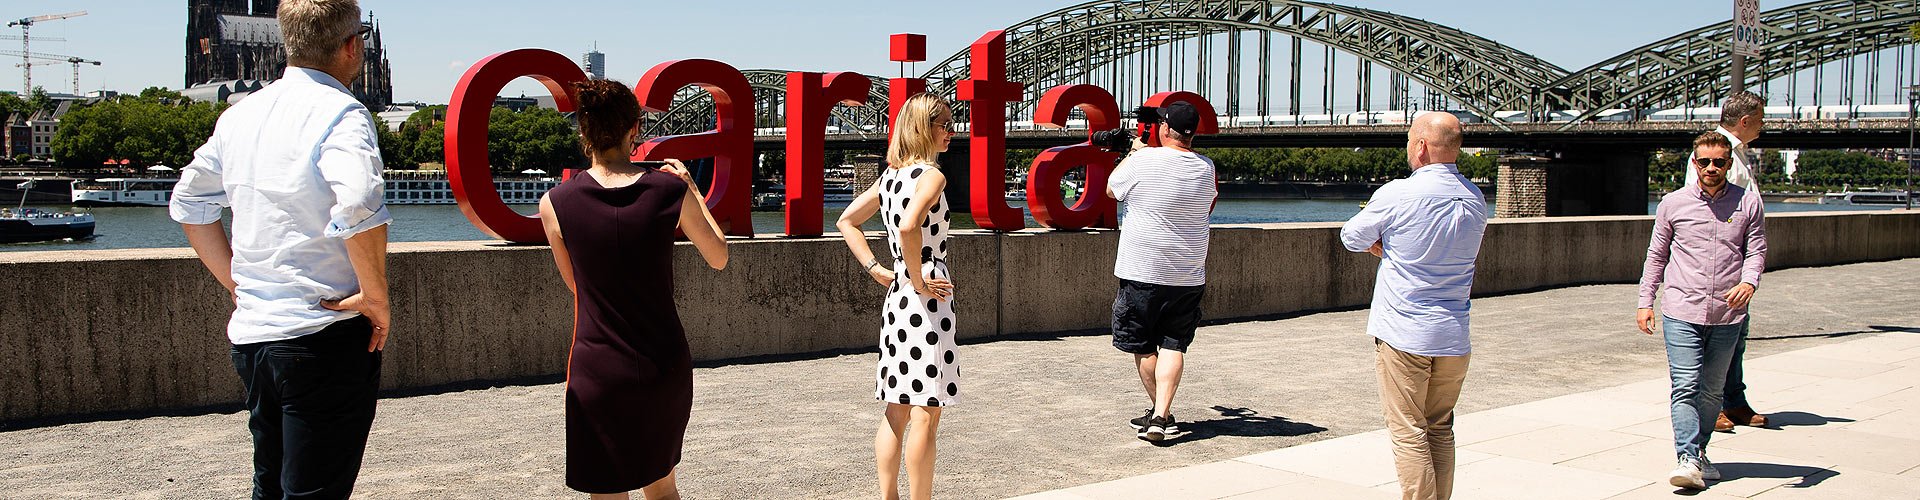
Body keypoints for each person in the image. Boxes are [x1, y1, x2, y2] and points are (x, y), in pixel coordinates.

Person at [171, 1, 390, 497]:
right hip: (321, 334)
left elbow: (188, 203)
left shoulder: (239, 115)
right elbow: (357, 203)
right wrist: (376, 297)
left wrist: (236, 281)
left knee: (269, 484)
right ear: (354, 46)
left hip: (252, 338)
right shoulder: (341, 112)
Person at [537, 79, 728, 499]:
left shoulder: (554, 203)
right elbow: (718, 256)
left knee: (605, 492)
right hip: (663, 365)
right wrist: (693, 189)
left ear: (584, 131)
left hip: (597, 369)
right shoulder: (670, 191)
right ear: (635, 128)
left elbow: (577, 286)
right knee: (662, 489)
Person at [1339, 112, 1487, 500]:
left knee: (1408, 430)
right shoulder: (1474, 197)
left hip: (1405, 331)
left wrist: (1381, 244)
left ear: (1420, 146)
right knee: (1440, 427)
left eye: (1408, 139)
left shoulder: (1399, 193)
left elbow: (1351, 236)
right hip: (1454, 335)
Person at [835, 93, 958, 500]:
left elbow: (846, 221)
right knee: (927, 411)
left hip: (898, 299)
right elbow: (909, 227)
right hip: (927, 297)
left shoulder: (890, 178)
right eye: (944, 124)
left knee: (896, 409)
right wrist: (922, 281)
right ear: (923, 127)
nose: (952, 131)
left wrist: (879, 270)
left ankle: (888, 496)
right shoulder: (931, 176)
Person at [1638, 131, 1768, 490]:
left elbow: (1756, 250)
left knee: (1711, 391)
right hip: (1681, 309)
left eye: (1719, 162)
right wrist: (1645, 301)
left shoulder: (1747, 203)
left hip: (1728, 314)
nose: (1711, 168)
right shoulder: (1672, 203)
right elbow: (1656, 256)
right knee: (1684, 387)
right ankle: (1687, 456)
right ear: (1694, 163)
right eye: (1704, 161)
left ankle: (1700, 452)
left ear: (1729, 163)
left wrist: (1750, 282)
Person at [1104, 101, 1217, 442]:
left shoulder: (1142, 160)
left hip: (1143, 270)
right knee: (1173, 345)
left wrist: (1136, 153)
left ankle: (1161, 414)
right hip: (1188, 273)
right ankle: (1161, 415)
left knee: (1142, 344)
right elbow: (1210, 202)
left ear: (1164, 129)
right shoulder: (1207, 167)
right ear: (1193, 133)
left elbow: (1112, 190)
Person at [1684, 90, 1770, 432]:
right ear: (1745, 121)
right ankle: (1716, 404)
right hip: (1719, 266)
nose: (1764, 126)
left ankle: (1734, 401)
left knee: (1737, 336)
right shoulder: (1716, 156)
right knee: (1719, 338)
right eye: (1761, 120)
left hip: (1738, 264)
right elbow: (1703, 209)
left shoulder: (1737, 153)